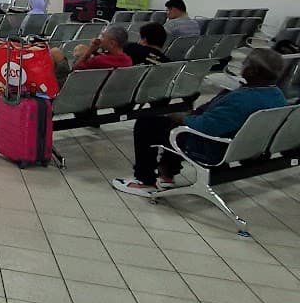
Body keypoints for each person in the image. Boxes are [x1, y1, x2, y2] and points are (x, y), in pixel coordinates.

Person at [113, 48, 286, 195]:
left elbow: (204, 127)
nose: (242, 66)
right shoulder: (276, 95)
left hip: (211, 147)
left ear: (253, 71)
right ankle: (167, 174)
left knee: (147, 124)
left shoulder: (241, 99)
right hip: (242, 147)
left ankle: (145, 181)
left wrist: (181, 117)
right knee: (171, 123)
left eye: (245, 64)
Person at [53, 24, 134, 77]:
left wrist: (90, 49)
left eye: (103, 36)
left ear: (112, 43)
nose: (100, 38)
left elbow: (76, 68)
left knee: (55, 51)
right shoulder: (128, 61)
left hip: (73, 86)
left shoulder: (99, 61)